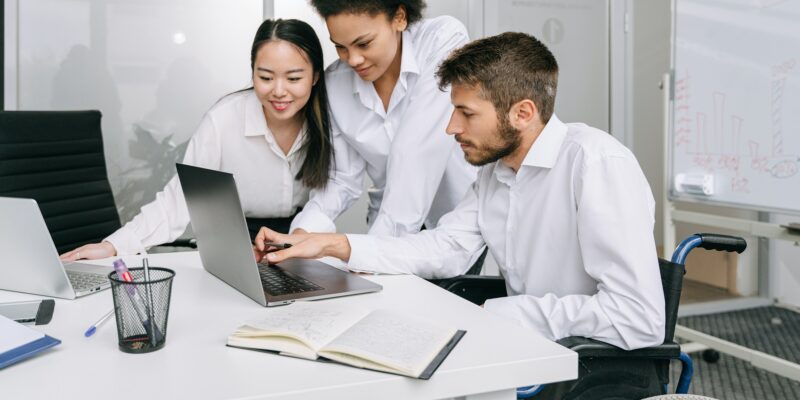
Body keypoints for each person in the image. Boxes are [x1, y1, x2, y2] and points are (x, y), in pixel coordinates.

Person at [255, 32, 666, 351]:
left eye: (466, 113)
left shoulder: (595, 164)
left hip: (581, 364)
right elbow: (446, 246)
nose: (451, 127)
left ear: (523, 113)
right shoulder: (496, 172)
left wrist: (500, 313)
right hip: (523, 345)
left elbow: (637, 317)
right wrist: (333, 245)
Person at [60, 19, 334, 261]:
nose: (279, 91)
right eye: (265, 77)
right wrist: (113, 246)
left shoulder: (330, 122)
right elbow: (177, 200)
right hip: (237, 246)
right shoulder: (223, 120)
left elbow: (334, 195)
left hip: (304, 243)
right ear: (252, 73)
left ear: (315, 78)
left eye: (294, 78)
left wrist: (305, 241)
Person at [288, 0, 477, 237]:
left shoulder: (441, 40)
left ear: (399, 17)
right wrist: (302, 232)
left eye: (364, 44)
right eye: (341, 47)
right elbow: (341, 179)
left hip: (455, 223)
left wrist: (375, 251)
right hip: (383, 222)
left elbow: (417, 150)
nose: (353, 59)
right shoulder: (335, 83)